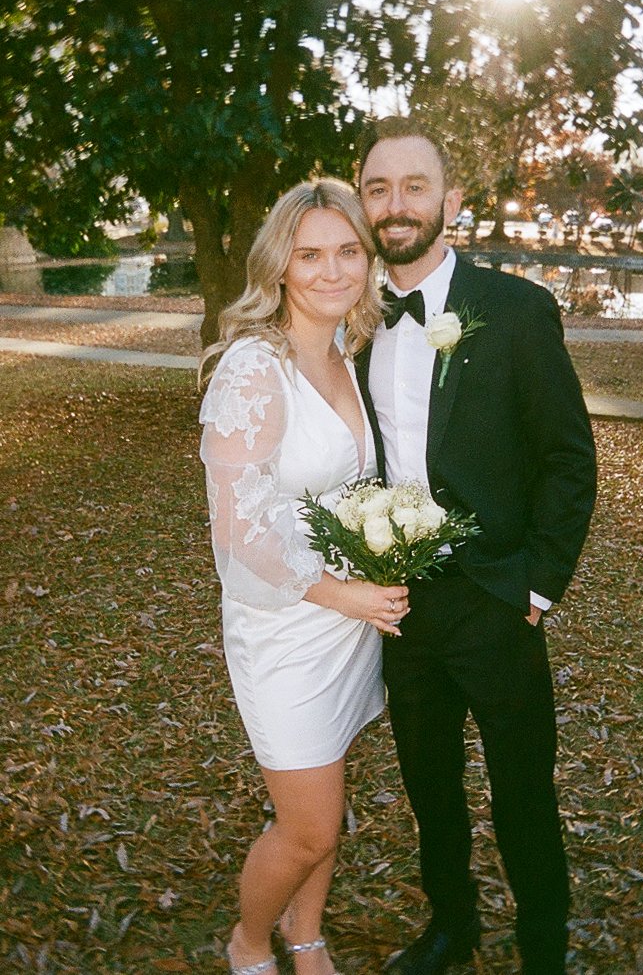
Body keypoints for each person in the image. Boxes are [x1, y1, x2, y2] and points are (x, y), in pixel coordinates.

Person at [354, 117, 597, 975]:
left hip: (498, 598)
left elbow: (569, 459)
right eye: (378, 188)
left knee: (524, 791)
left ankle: (543, 948)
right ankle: (452, 926)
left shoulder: (518, 310)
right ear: (363, 202)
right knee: (430, 788)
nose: (396, 205)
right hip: (402, 602)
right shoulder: (351, 318)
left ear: (451, 201)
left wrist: (537, 587)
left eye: (414, 185)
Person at [198, 178, 409, 975]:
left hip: (346, 626)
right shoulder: (255, 368)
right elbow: (240, 523)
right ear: (279, 265)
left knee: (327, 786)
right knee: (311, 826)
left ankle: (306, 932)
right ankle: (250, 938)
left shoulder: (345, 356)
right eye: (310, 253)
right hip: (284, 628)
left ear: (367, 259)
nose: (331, 270)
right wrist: (341, 591)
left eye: (347, 251)